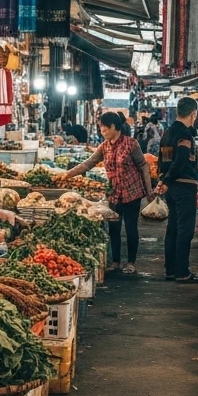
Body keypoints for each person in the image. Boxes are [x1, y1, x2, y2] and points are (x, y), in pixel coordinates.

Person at [62, 112, 152, 276]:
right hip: (114, 194)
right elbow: (89, 163)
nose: (101, 129)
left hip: (132, 193)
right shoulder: (104, 146)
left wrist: (149, 191)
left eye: (104, 126)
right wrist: (68, 174)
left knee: (131, 228)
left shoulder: (131, 144)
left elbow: (144, 166)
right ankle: (116, 262)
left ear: (113, 127)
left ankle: (131, 262)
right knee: (114, 228)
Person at [157, 97, 198, 282]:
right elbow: (181, 159)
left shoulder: (167, 132)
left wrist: (164, 180)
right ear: (193, 114)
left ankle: (171, 270)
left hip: (171, 187)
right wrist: (167, 180)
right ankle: (182, 272)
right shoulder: (184, 135)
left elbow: (163, 160)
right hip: (184, 186)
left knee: (173, 228)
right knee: (185, 229)